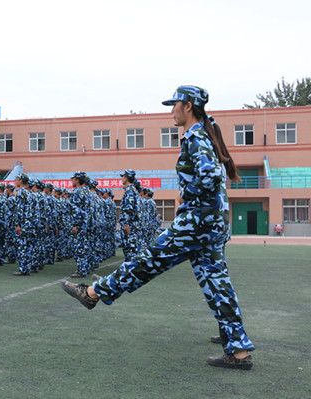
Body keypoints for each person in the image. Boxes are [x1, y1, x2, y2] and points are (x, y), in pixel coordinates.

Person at [61, 85, 255, 370]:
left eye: (174, 105)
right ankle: (238, 350)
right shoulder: (203, 134)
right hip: (211, 223)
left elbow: (211, 176)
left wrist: (187, 195)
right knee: (217, 283)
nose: (171, 111)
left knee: (148, 261)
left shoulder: (196, 135)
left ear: (188, 106)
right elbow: (214, 176)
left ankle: (94, 293)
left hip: (197, 222)